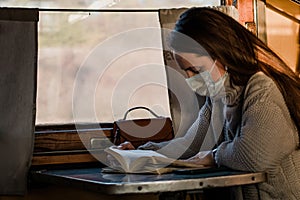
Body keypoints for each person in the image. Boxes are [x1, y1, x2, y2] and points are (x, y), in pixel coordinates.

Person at [115, 7, 300, 200]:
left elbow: (254, 155)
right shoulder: (218, 96)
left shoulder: (262, 90)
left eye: (195, 70)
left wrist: (213, 156)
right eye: (185, 71)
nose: (189, 78)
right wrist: (142, 153)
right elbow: (191, 145)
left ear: (222, 56)